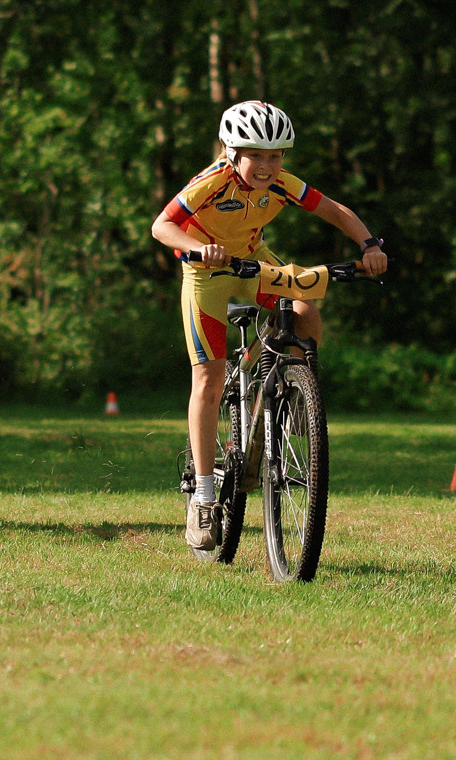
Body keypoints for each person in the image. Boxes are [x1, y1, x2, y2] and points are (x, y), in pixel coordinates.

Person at [147, 100, 387, 551]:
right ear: (232, 151)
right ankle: (202, 497)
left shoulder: (281, 184)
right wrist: (198, 250)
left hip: (253, 263)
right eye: (256, 154)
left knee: (305, 310)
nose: (267, 165)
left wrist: (368, 243)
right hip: (206, 274)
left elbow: (334, 210)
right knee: (210, 377)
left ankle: (292, 396)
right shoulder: (212, 182)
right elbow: (162, 226)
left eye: (276, 155)